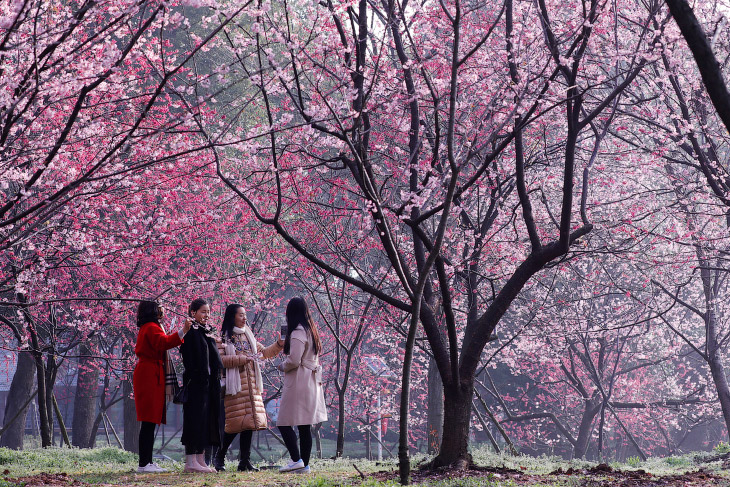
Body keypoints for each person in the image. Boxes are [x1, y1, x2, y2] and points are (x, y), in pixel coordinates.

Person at [213, 304, 284, 471]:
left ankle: (244, 461)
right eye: (241, 315)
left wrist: (279, 344)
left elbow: (264, 353)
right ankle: (219, 456)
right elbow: (221, 361)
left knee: (249, 424)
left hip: (251, 385)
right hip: (235, 386)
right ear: (232, 317)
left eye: (245, 315)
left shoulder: (248, 336)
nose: (245, 318)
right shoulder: (223, 338)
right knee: (234, 424)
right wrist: (244, 359)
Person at [133, 300, 191, 473]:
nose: (163, 311)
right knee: (149, 420)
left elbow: (162, 342)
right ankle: (144, 463)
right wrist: (183, 331)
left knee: (149, 420)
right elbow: (163, 343)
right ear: (153, 311)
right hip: (150, 374)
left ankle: (147, 461)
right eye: (160, 309)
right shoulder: (151, 327)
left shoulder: (148, 327)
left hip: (150, 372)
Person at [277, 297, 328, 474]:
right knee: (305, 424)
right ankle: (304, 465)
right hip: (311, 380)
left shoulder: (298, 332)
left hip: (300, 380)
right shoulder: (310, 330)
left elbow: (294, 360)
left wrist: (282, 365)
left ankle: (296, 460)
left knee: (283, 421)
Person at [180, 298, 223, 473]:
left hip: (209, 384)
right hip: (196, 383)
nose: (207, 315)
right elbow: (191, 358)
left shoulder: (207, 332)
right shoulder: (190, 331)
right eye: (203, 312)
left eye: (208, 312)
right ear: (193, 313)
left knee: (205, 421)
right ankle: (190, 462)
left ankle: (200, 460)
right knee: (194, 420)